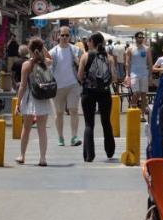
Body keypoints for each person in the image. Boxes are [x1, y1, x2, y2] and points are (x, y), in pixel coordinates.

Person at [77, 33, 116, 163]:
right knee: (106, 121)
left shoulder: (85, 56)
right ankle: (110, 151)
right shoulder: (109, 57)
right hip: (104, 93)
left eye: (88, 41)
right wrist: (104, 84)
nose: (87, 43)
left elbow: (79, 75)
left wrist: (87, 82)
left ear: (91, 42)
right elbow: (114, 77)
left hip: (88, 92)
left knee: (89, 124)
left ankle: (89, 155)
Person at [15, 38, 53, 166]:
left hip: (30, 98)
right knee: (42, 129)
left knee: (26, 128)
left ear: (29, 50)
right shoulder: (46, 62)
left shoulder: (26, 65)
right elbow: (50, 57)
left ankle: (22, 155)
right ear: (41, 49)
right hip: (42, 98)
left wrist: (17, 103)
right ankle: (43, 158)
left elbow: (22, 86)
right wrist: (43, 49)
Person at [48, 27, 82, 147]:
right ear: (58, 36)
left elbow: (81, 64)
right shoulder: (53, 52)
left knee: (74, 110)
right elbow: (47, 67)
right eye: (62, 35)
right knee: (59, 112)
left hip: (73, 84)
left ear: (70, 37)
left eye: (67, 35)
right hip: (57, 86)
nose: (64, 38)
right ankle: (60, 137)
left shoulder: (75, 50)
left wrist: (78, 61)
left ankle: (74, 136)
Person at [125, 32, 151, 116]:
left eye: (142, 37)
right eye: (139, 37)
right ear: (135, 38)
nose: (141, 39)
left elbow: (150, 63)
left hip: (144, 73)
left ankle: (142, 114)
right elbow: (127, 63)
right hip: (134, 73)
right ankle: (133, 112)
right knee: (136, 93)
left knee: (144, 94)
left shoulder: (147, 49)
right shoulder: (130, 49)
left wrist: (150, 75)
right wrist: (127, 75)